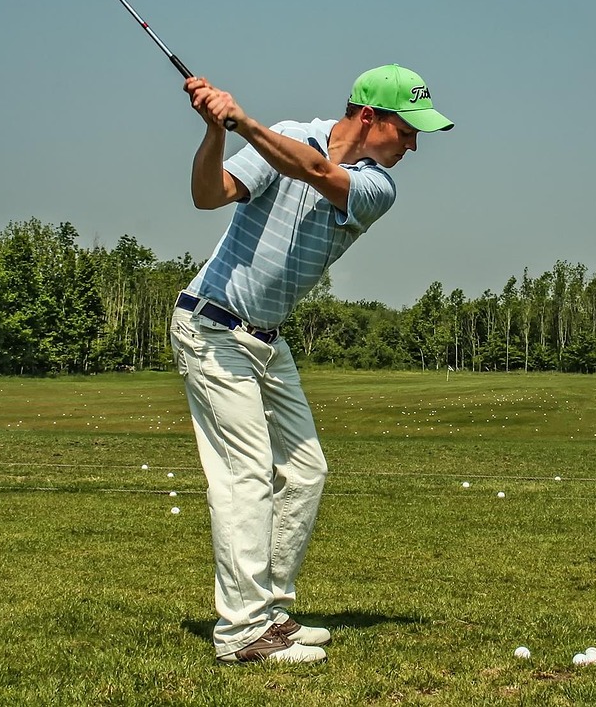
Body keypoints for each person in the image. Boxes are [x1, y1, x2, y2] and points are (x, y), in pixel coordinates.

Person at [169, 65, 454, 664]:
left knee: (304, 471)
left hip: (267, 339)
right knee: (245, 475)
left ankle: (269, 610)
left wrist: (244, 122)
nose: (414, 145)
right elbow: (207, 196)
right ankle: (242, 632)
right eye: (408, 130)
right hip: (212, 325)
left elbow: (318, 170)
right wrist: (216, 131)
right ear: (370, 117)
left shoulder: (376, 186)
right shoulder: (287, 135)